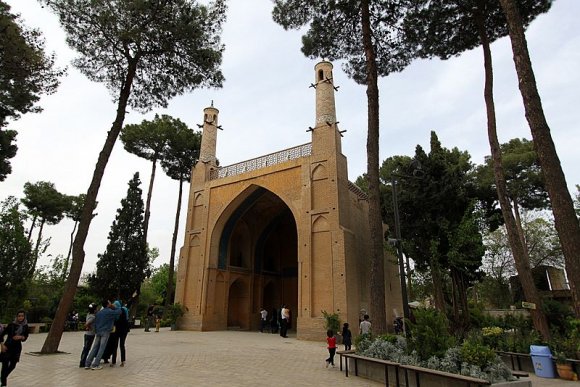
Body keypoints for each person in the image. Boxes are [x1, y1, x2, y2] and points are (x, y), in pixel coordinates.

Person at [85, 299, 121, 370]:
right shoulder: (110, 312)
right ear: (108, 304)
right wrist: (113, 306)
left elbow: (95, 322)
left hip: (98, 331)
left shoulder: (99, 313)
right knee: (102, 348)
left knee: (95, 347)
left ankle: (87, 363)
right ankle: (96, 364)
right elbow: (119, 311)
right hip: (105, 331)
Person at [1, 310, 29, 387]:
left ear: (24, 317)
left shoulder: (25, 326)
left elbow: (25, 337)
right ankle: (3, 383)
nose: (20, 317)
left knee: (13, 365)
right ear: (17, 317)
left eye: (22, 316)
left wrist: (21, 337)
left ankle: (2, 377)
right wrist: (2, 345)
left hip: (17, 348)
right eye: (19, 316)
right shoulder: (11, 325)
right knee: (5, 365)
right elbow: (1, 334)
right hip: (7, 347)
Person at [103, 300, 130, 367]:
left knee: (118, 345)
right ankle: (120, 361)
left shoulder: (118, 311)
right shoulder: (124, 310)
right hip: (122, 330)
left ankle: (116, 361)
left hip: (119, 330)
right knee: (120, 345)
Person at [79, 303, 97, 368]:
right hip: (90, 334)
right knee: (86, 349)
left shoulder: (88, 314)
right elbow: (86, 324)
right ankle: (82, 362)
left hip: (87, 334)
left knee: (85, 348)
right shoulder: (93, 317)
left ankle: (82, 361)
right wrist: (89, 327)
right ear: (94, 309)